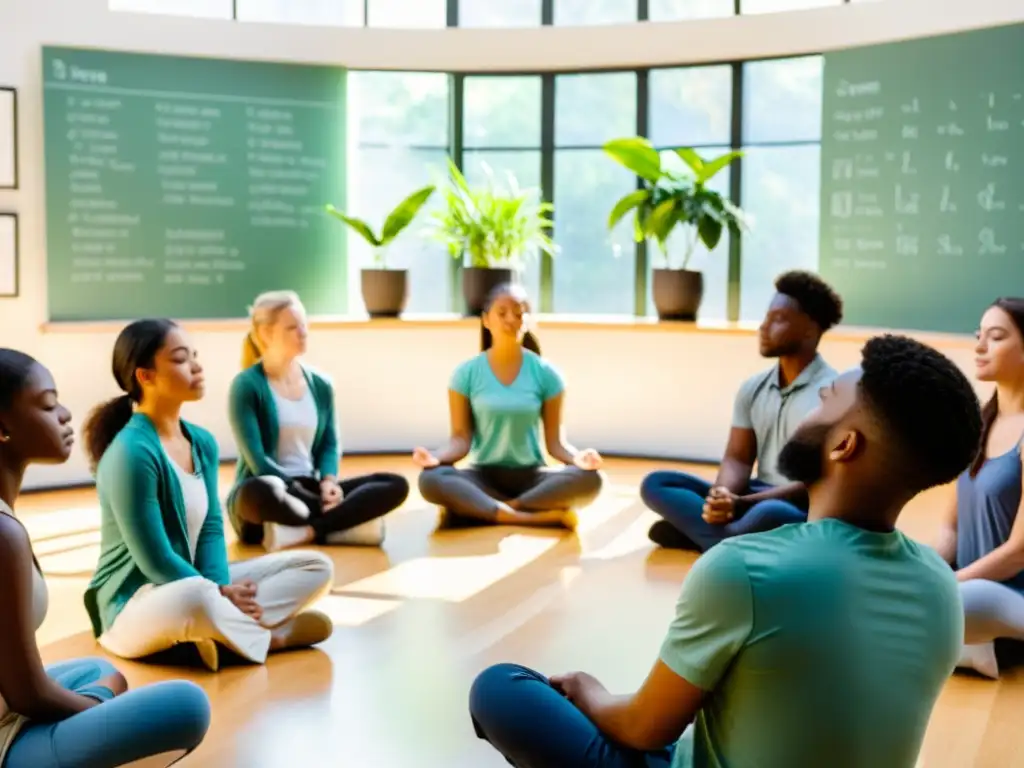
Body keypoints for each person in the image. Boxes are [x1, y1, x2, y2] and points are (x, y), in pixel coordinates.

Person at [469, 334, 981, 768]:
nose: (816, 401)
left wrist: (589, 690)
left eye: (826, 400)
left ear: (844, 445)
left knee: (500, 688)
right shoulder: (940, 585)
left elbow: (644, 728)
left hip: (663, 729)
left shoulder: (744, 570)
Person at [82, 319, 335, 673]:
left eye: (195, 356)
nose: (197, 366)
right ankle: (270, 638)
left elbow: (213, 528)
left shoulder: (201, 442)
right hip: (135, 606)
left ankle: (216, 638)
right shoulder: (131, 452)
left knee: (316, 566)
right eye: (181, 358)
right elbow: (154, 558)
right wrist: (215, 593)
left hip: (198, 585)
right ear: (146, 376)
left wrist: (221, 587)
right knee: (195, 598)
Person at [0, 348, 211, 768]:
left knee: (99, 671)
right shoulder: (3, 533)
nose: (64, 414)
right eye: (47, 404)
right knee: (187, 705)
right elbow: (29, 694)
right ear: (2, 428)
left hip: (10, 704)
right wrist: (97, 711)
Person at [641, 270, 844, 552]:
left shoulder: (833, 394)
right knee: (658, 482)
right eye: (765, 317)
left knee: (771, 514)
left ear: (810, 329)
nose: (763, 327)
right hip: (753, 493)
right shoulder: (753, 387)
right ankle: (728, 538)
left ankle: (701, 537)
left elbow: (818, 484)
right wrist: (722, 496)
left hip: (794, 505)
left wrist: (742, 504)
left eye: (778, 320)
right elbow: (737, 458)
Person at [227, 290, 409, 552]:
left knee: (395, 484)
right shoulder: (246, 386)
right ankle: (341, 525)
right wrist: (306, 495)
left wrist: (328, 483)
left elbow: (328, 444)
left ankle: (310, 530)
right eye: (292, 327)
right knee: (259, 491)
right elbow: (256, 460)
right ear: (266, 334)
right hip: (274, 491)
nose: (303, 332)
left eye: (304, 324)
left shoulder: (321, 384)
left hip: (311, 490)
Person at [415, 282, 603, 529]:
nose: (511, 319)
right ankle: (529, 516)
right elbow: (460, 439)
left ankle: (483, 509)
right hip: (482, 476)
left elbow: (555, 444)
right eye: (501, 313)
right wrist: (435, 458)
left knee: (591, 479)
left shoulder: (547, 374)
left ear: (527, 319)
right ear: (486, 320)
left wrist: (580, 458)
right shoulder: (466, 374)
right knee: (430, 479)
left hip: (533, 477)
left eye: (519, 312)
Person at [932, 298, 1024, 679]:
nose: (980, 346)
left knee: (959, 600)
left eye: (996, 336)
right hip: (967, 586)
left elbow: (1018, 553)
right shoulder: (978, 425)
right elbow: (949, 528)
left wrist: (945, 584)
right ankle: (969, 647)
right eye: (978, 336)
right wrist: (924, 572)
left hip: (1006, 597)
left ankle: (976, 644)